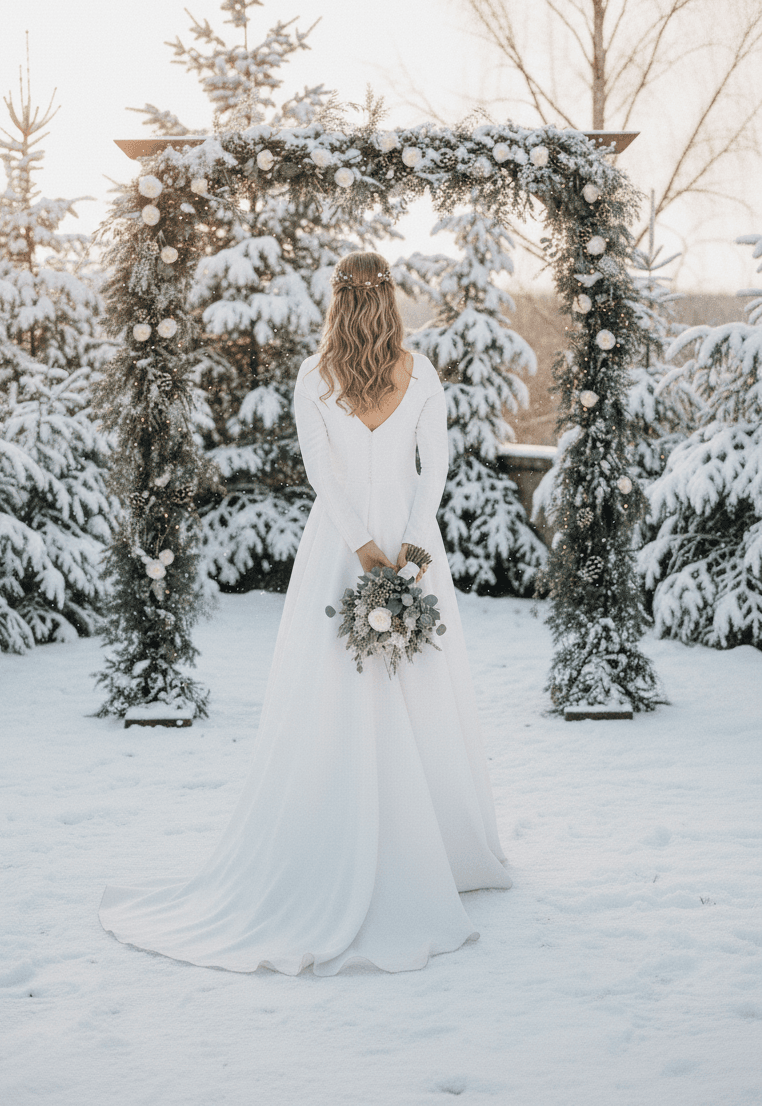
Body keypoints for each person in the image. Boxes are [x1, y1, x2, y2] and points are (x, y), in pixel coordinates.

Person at [99, 251, 511, 976]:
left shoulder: (315, 377)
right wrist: (411, 549)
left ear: (336, 302)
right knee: (416, 684)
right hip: (406, 546)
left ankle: (392, 842)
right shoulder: (418, 373)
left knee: (346, 684)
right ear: (390, 301)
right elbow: (436, 466)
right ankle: (433, 850)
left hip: (345, 546)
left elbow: (324, 477)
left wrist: (366, 552)